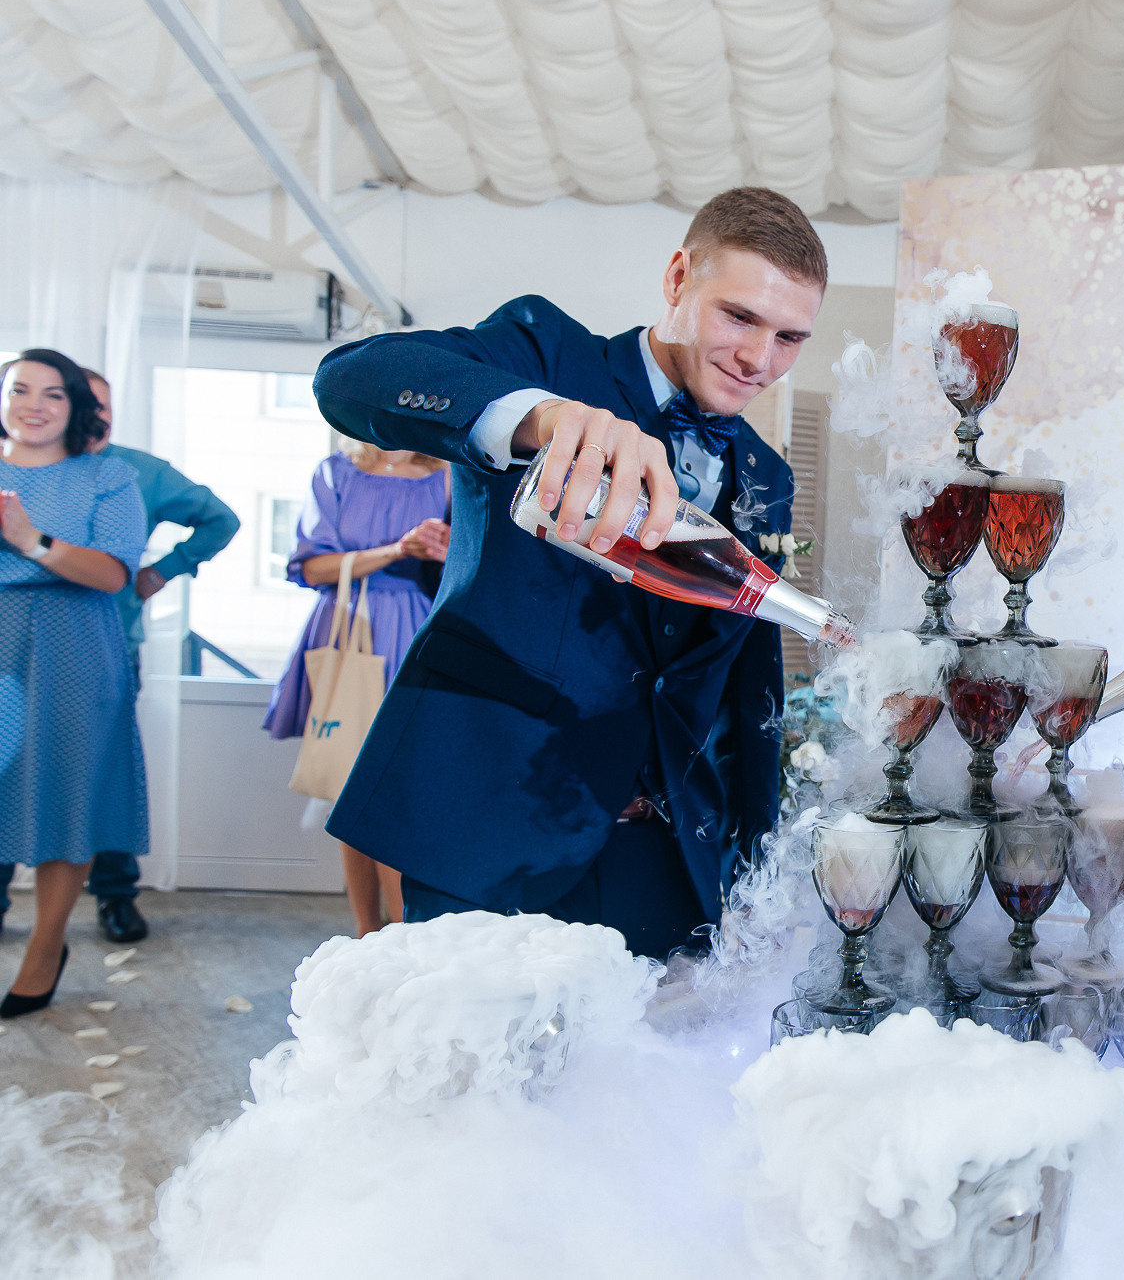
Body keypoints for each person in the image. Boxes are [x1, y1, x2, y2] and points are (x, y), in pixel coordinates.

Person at [309, 187, 820, 960]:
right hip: (490, 824)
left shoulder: (766, 474)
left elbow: (744, 687)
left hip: (669, 857)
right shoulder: (548, 354)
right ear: (678, 277)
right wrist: (543, 416)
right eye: (740, 317)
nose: (759, 359)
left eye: (789, 337)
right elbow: (352, 380)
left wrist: (753, 866)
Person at [0, 349, 147, 1018]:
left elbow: (113, 574)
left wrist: (32, 540)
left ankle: (45, 946)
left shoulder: (107, 475)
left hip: (72, 646)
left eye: (52, 394)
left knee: (66, 801)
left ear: (75, 408)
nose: (34, 404)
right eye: (20, 389)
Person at [72, 370, 240, 945]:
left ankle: (115, 894)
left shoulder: (138, 473)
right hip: (19, 655)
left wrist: (163, 571)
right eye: (85, 402)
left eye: (105, 403)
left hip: (109, 648)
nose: (99, 414)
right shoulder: (26, 472)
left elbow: (222, 519)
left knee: (104, 776)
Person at [262, 442, 449, 936]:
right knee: (350, 787)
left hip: (415, 630)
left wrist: (445, 550)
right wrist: (395, 549)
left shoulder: (449, 475)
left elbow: (471, 566)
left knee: (394, 794)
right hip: (347, 627)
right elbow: (309, 568)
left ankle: (402, 937)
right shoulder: (335, 472)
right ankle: (367, 936)